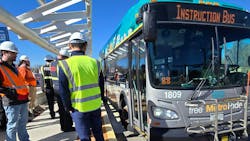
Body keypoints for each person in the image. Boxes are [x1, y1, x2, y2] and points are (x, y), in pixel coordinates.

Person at [58, 32, 104, 141]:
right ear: (85, 45)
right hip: (95, 105)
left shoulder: (64, 64)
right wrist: (100, 99)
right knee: (98, 133)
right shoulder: (95, 62)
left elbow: (63, 91)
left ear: (70, 46)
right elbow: (101, 84)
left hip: (78, 108)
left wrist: (68, 107)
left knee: (84, 137)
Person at [0, 41, 30, 141]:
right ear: (4, 52)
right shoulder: (0, 67)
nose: (16, 55)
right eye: (13, 53)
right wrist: (10, 92)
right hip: (11, 100)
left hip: (22, 99)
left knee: (22, 124)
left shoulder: (14, 67)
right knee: (12, 125)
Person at [50, 49, 75, 132]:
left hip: (56, 89)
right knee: (66, 107)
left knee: (61, 108)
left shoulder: (52, 64)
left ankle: (63, 126)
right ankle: (68, 126)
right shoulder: (64, 64)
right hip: (63, 88)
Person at [18, 55, 37, 121]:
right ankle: (28, 116)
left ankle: (30, 113)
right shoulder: (22, 68)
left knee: (32, 101)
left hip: (31, 86)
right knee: (29, 102)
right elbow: (21, 79)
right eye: (28, 60)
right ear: (24, 61)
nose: (29, 61)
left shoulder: (27, 68)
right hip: (29, 87)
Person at [41, 55, 55, 119]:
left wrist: (42, 88)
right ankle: (61, 112)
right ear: (52, 60)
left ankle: (52, 113)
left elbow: (41, 79)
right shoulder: (54, 67)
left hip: (47, 87)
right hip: (55, 87)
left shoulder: (42, 68)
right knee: (59, 101)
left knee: (50, 101)